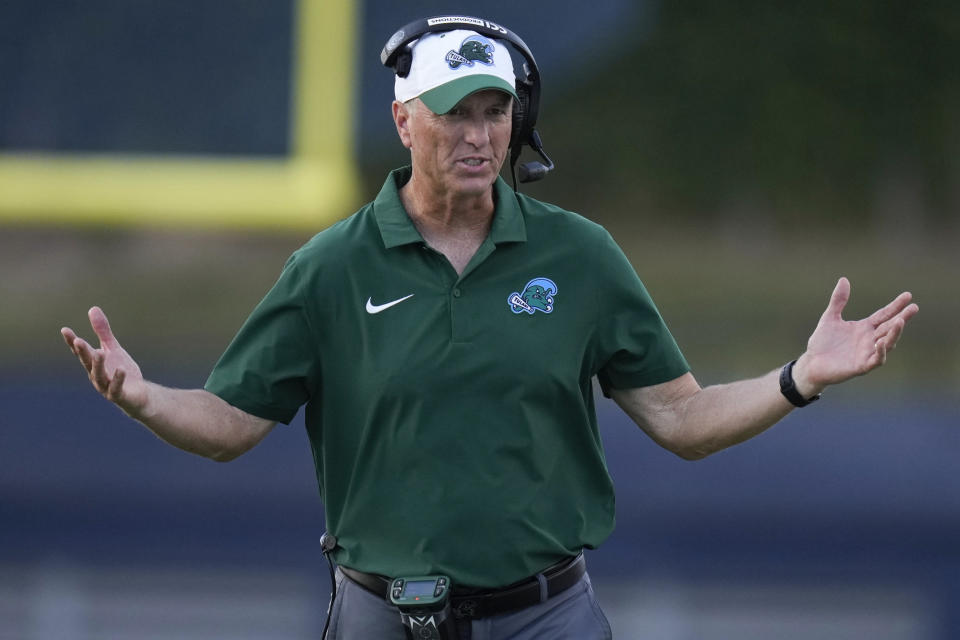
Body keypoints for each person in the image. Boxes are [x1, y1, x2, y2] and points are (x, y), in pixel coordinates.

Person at [61, 16, 919, 640]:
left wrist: (796, 379)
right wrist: (144, 398)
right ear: (404, 121)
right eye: (454, 113)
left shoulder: (579, 254)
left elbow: (682, 421)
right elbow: (229, 426)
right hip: (379, 616)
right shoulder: (331, 267)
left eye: (495, 113)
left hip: (545, 618)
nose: (479, 136)